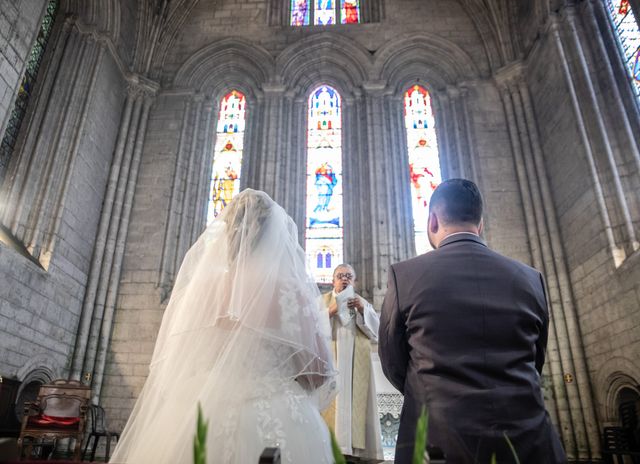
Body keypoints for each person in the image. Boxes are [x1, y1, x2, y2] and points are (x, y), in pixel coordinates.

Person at [111, 189, 337, 464]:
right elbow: (317, 372)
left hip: (197, 411)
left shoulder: (201, 290)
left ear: (227, 232)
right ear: (274, 237)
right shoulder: (288, 292)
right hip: (274, 413)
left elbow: (180, 361)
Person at [378, 179, 567, 464]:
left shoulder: (404, 276)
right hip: (527, 444)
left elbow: (393, 361)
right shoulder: (530, 278)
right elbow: (535, 359)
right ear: (480, 224)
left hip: (436, 444)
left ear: (432, 221)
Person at [321, 264, 384, 462]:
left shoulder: (362, 303)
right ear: (333, 281)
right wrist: (329, 312)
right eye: (340, 276)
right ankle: (327, 448)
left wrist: (363, 310)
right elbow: (309, 329)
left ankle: (355, 453)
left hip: (356, 364)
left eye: (349, 276)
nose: (344, 279)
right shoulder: (322, 302)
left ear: (354, 281)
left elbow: (377, 332)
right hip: (331, 365)